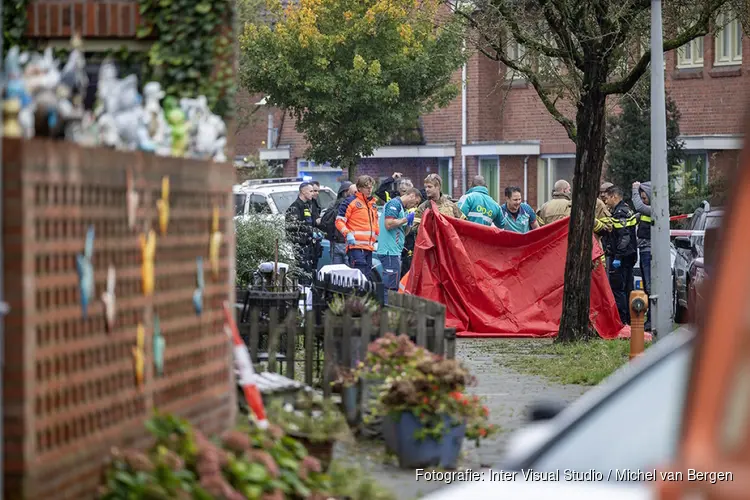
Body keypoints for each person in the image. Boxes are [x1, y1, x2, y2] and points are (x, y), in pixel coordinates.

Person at [376, 187, 422, 303]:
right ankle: (387, 312)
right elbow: (389, 224)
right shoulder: (394, 204)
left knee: (393, 284)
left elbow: (403, 233)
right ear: (412, 195)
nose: (414, 206)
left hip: (395, 251)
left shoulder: (402, 208)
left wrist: (409, 224)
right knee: (391, 287)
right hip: (389, 251)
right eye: (415, 202)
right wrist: (405, 219)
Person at [602, 185, 638, 325]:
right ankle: (629, 319)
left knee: (618, 289)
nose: (606, 202)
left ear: (614, 197)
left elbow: (624, 237)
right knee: (628, 288)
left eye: (608, 198)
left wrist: (617, 257)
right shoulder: (627, 209)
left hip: (622, 257)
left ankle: (622, 321)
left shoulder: (620, 213)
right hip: (629, 256)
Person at [335, 175, 380, 280]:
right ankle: (357, 296)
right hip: (355, 246)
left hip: (368, 247)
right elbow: (339, 221)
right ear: (359, 188)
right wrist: (347, 233)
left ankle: (364, 296)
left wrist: (377, 232)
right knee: (359, 276)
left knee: (366, 277)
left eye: (371, 187)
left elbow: (375, 222)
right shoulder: (350, 202)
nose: (369, 189)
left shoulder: (372, 204)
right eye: (366, 187)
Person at [285, 182, 321, 286]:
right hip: (300, 246)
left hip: (309, 246)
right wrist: (308, 234)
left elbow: (309, 223)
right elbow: (292, 228)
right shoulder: (295, 207)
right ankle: (303, 296)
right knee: (303, 274)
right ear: (303, 192)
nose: (313, 193)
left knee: (309, 273)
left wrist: (314, 232)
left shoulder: (306, 206)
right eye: (310, 191)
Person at [320, 181, 357, 265]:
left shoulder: (334, 204)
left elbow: (325, 221)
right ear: (346, 191)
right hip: (347, 242)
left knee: (337, 272)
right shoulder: (353, 204)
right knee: (349, 272)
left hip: (336, 242)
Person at [632, 181, 653, 329]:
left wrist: (634, 189)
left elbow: (639, 206)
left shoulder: (653, 209)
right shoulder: (644, 213)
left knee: (651, 287)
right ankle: (650, 319)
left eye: (645, 198)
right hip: (644, 251)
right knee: (647, 287)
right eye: (641, 197)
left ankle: (653, 320)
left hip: (649, 252)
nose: (643, 200)